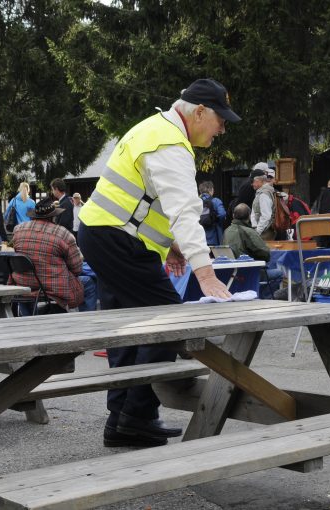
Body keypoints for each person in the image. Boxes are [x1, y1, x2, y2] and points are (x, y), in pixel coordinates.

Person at [78, 78, 238, 448]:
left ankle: (120, 420)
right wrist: (206, 272)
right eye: (220, 120)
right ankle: (136, 417)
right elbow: (185, 211)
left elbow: (147, 200)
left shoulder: (155, 130)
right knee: (170, 322)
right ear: (199, 112)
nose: (222, 129)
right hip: (118, 240)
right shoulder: (170, 144)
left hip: (103, 234)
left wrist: (171, 245)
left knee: (127, 330)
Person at [10, 198, 96, 314]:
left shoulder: (18, 230)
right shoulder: (63, 234)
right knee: (88, 282)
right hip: (52, 286)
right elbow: (77, 268)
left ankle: (27, 316)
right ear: (53, 216)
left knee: (27, 283)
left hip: (22, 284)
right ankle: (87, 320)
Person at [198, 181, 227, 245]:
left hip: (199, 237)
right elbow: (222, 214)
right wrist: (216, 221)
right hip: (214, 236)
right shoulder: (216, 201)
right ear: (211, 190)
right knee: (215, 254)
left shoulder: (196, 202)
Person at [250, 170, 276, 241]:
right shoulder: (262, 192)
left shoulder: (264, 194)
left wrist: (257, 231)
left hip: (265, 232)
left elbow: (266, 216)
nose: (251, 184)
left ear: (258, 181)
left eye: (252, 181)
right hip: (263, 231)